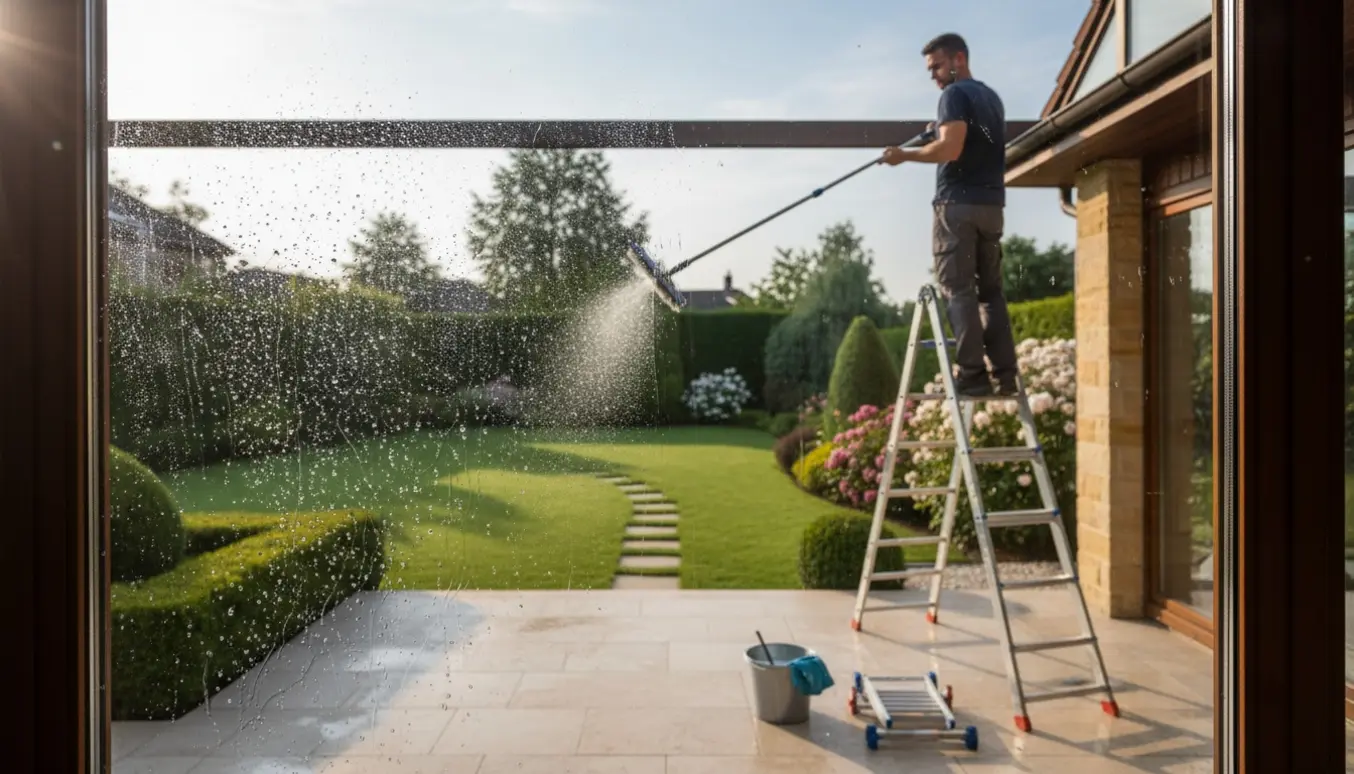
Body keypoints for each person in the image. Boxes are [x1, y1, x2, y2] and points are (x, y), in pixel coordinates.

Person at [882, 32, 1018, 398]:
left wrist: (902, 156)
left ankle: (972, 375)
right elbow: (963, 140)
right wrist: (936, 133)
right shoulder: (990, 98)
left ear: (959, 59)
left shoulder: (953, 95)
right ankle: (1006, 375)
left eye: (937, 66)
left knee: (958, 291)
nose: (933, 76)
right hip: (992, 205)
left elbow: (951, 149)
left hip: (957, 207)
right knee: (991, 293)